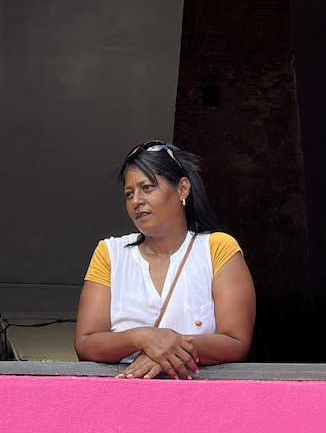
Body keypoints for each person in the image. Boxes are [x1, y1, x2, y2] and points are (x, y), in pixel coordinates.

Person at [75, 141, 256, 379]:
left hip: (199, 402)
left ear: (182, 189)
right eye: (129, 193)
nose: (136, 201)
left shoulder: (217, 249)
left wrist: (168, 349)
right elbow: (86, 343)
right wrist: (143, 338)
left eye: (147, 188)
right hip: (124, 401)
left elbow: (236, 341)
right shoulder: (110, 253)